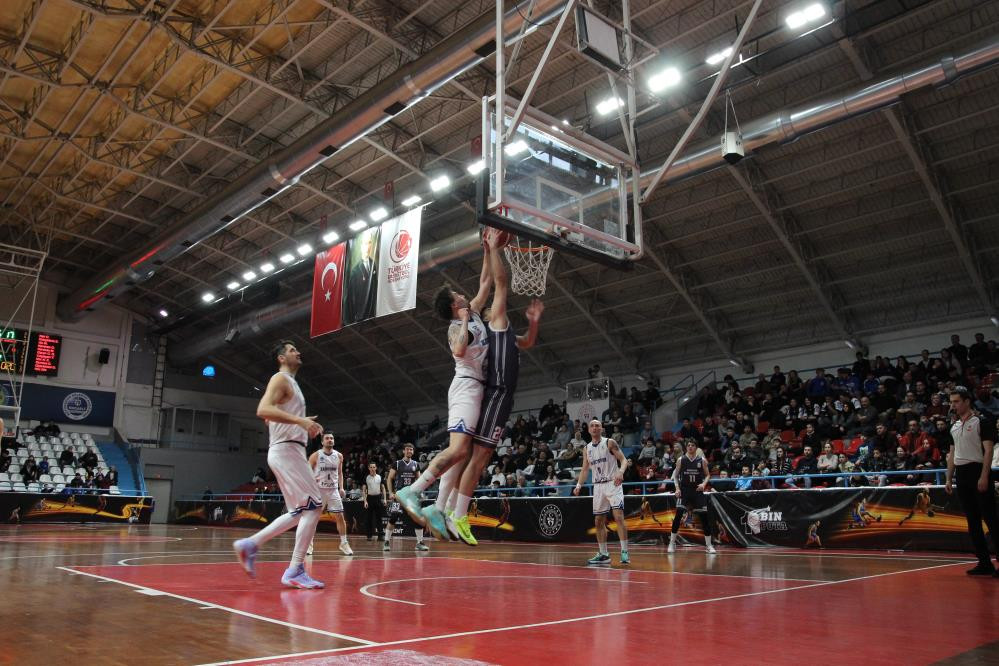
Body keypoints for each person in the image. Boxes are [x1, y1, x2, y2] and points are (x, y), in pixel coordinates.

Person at [447, 231, 544, 544]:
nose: (495, 307)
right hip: (496, 393)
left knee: (479, 456)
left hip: (502, 395)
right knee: (480, 456)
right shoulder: (496, 322)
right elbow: (499, 283)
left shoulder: (504, 332)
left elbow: (527, 342)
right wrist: (492, 249)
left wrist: (533, 320)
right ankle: (457, 514)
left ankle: (452, 509)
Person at [395, 240, 493, 536]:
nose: (464, 294)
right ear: (454, 305)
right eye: (458, 294)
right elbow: (460, 351)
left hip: (476, 388)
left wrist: (490, 248)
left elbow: (486, 281)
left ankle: (438, 508)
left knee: (461, 454)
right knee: (458, 449)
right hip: (464, 387)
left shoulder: (474, 310)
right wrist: (463, 321)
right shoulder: (455, 326)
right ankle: (412, 490)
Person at [232, 340, 326, 589]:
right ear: (282, 358)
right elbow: (263, 409)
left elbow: (271, 415)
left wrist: (300, 423)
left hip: (287, 449)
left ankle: (251, 544)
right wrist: (300, 422)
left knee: (300, 511)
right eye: (292, 349)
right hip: (287, 450)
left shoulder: (291, 384)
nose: (298, 352)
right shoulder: (280, 378)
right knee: (315, 506)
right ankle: (295, 569)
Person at [945, 387, 999, 576]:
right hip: (962, 473)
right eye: (951, 402)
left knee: (991, 518)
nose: (953, 405)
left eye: (956, 401)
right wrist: (948, 477)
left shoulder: (981, 421)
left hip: (978, 470)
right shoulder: (953, 425)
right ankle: (984, 562)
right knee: (972, 521)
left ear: (967, 401)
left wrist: (984, 475)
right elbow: (952, 454)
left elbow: (989, 450)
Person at [573, 419, 629, 565]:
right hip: (598, 486)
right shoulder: (587, 448)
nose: (594, 427)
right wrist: (579, 485)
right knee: (598, 521)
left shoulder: (609, 442)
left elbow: (623, 460)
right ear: (589, 430)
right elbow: (585, 469)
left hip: (613, 483)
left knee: (618, 516)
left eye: (597, 425)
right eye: (592, 425)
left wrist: (621, 472)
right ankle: (604, 554)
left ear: (602, 429)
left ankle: (624, 552)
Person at [307, 433, 353, 557]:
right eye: (327, 438)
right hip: (319, 490)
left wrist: (342, 487)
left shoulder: (339, 456)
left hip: (333, 490)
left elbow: (340, 473)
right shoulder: (316, 455)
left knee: (340, 517)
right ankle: (309, 544)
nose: (330, 440)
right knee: (313, 519)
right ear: (322, 442)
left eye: (332, 438)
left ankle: (344, 543)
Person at [667, 440, 716, 554]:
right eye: (688, 445)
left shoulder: (702, 460)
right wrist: (677, 488)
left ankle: (709, 545)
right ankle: (672, 543)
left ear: (696, 448)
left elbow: (708, 475)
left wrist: (703, 484)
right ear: (686, 448)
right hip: (684, 490)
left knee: (704, 517)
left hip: (697, 490)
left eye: (692, 445)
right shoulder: (681, 459)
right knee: (678, 514)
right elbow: (675, 475)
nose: (690, 447)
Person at [386, 443, 429, 552]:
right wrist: (390, 492)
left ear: (413, 452)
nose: (409, 451)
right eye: (407, 450)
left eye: (411, 450)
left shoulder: (416, 464)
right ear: (403, 451)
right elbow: (389, 478)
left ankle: (419, 542)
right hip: (399, 496)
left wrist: (420, 493)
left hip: (411, 497)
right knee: (393, 518)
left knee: (417, 520)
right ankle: (386, 542)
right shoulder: (397, 463)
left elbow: (419, 481)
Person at [343, 227, 379, 324]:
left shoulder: (373, 265)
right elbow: (350, 298)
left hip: (372, 313)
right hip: (360, 317)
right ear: (361, 245)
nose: (367, 247)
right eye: (365, 243)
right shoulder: (355, 272)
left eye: (370, 243)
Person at [362, 462, 387, 543]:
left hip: (378, 498)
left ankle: (381, 535)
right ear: (369, 468)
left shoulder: (380, 477)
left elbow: (383, 488)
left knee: (379, 518)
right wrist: (365, 501)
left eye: (374, 467)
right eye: (371, 467)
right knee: (369, 518)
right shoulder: (366, 477)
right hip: (369, 499)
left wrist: (385, 499)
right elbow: (364, 490)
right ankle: (369, 535)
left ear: (376, 468)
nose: (372, 469)